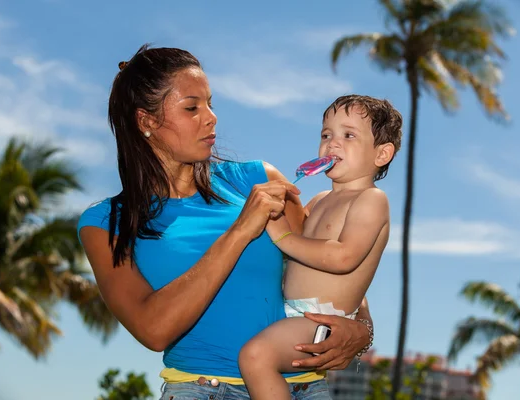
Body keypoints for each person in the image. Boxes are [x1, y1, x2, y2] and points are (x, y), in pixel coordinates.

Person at [77, 45, 374, 400]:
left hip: (303, 389)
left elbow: (330, 276)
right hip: (202, 390)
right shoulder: (105, 223)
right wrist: (240, 231)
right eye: (192, 108)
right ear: (147, 122)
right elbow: (153, 329)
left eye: (210, 104)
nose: (211, 117)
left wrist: (362, 332)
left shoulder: (257, 179)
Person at [238, 95, 402, 400]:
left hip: (320, 317)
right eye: (326, 135)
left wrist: (283, 237)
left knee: (255, 357)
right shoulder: (317, 201)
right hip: (291, 313)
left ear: (382, 154)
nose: (332, 143)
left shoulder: (371, 200)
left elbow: (343, 257)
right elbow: (294, 253)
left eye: (349, 135)